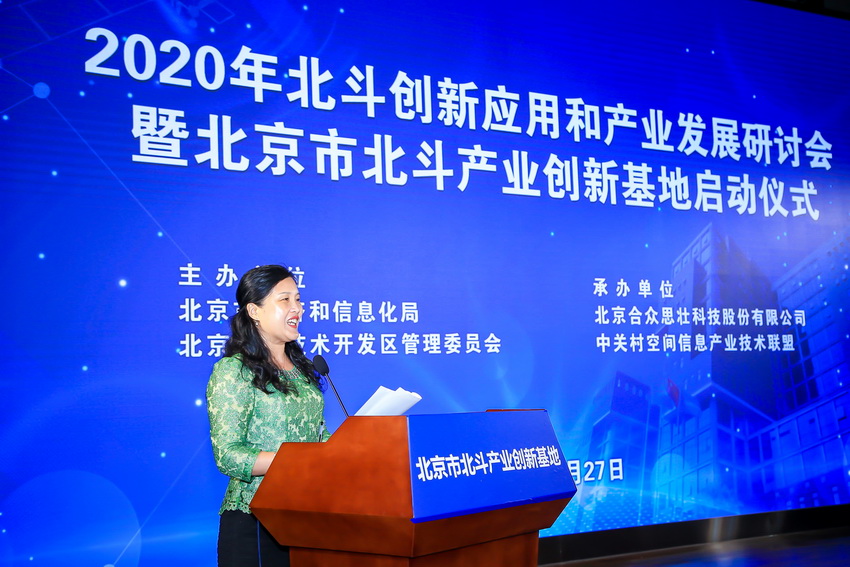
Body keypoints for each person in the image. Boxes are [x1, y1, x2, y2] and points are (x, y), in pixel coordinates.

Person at [206, 264, 329, 567]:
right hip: (255, 523)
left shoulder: (304, 370)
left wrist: (347, 446)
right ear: (254, 311)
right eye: (284, 300)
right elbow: (228, 455)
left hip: (306, 517)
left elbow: (317, 435)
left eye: (298, 299)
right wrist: (295, 460)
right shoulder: (233, 371)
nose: (297, 308)